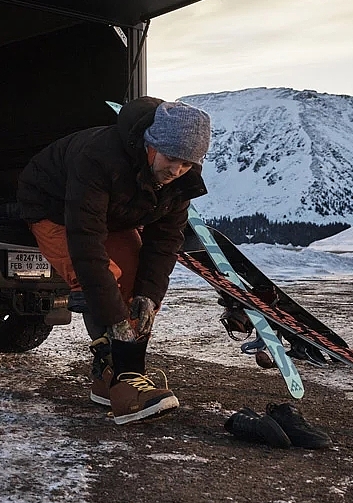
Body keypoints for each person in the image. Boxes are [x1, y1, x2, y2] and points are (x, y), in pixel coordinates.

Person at [15, 97, 211, 424]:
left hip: (111, 217)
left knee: (137, 286)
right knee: (103, 277)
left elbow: (163, 244)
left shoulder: (180, 183)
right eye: (172, 159)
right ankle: (125, 385)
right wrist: (115, 321)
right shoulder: (99, 157)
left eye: (187, 164)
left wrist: (149, 298)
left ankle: (111, 381)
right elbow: (86, 245)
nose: (177, 171)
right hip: (52, 207)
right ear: (152, 145)